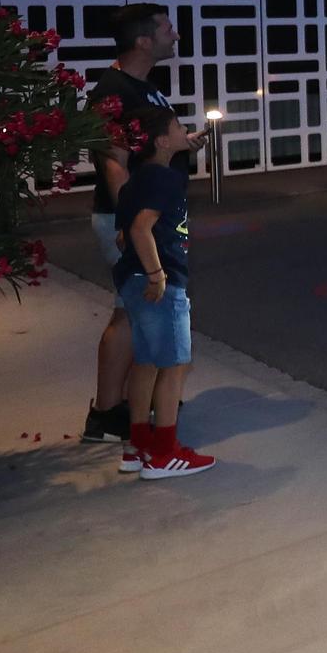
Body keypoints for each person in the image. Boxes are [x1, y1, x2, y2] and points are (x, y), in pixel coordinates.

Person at [78, 4, 203, 445]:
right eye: (168, 28)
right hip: (130, 220)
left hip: (146, 218)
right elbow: (113, 163)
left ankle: (133, 403)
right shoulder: (112, 90)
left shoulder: (141, 87)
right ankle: (108, 414)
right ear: (144, 40)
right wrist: (130, 221)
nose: (176, 35)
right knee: (131, 313)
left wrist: (182, 144)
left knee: (136, 312)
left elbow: (143, 147)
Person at [114, 106, 216, 479]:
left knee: (146, 362)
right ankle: (165, 454)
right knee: (174, 366)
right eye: (177, 127)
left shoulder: (136, 179)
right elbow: (140, 229)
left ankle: (138, 446)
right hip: (159, 281)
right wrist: (157, 274)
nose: (185, 129)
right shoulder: (165, 179)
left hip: (131, 279)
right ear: (160, 141)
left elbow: (121, 234)